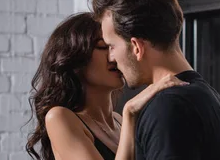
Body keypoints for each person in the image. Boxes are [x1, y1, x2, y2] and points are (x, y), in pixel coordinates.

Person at [90, 0, 220, 160]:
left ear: (136, 47)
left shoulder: (166, 108)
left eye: (112, 46)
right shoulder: (212, 98)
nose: (111, 58)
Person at [25, 12, 188, 160]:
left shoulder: (119, 121)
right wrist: (130, 112)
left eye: (114, 47)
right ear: (75, 58)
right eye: (103, 47)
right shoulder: (60, 117)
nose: (113, 57)